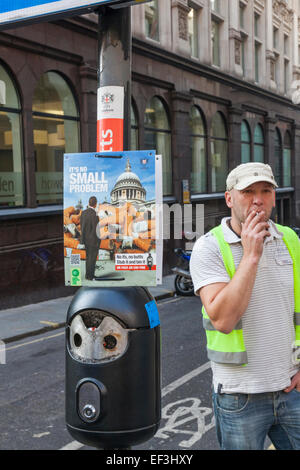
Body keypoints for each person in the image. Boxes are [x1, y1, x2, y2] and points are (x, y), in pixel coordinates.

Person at [190, 162, 300, 450]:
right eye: (248, 191)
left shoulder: (290, 239)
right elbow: (223, 320)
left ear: (275, 197)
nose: (257, 199)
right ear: (229, 198)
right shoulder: (209, 248)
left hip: (290, 388)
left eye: (266, 190)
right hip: (240, 396)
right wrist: (251, 255)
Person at [80, 196, 99, 281]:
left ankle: (87, 275)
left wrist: (82, 240)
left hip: (86, 240)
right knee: (92, 258)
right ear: (95, 204)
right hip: (93, 240)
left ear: (88, 203)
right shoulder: (95, 214)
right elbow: (96, 229)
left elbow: (82, 227)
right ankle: (91, 276)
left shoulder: (83, 213)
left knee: (88, 258)